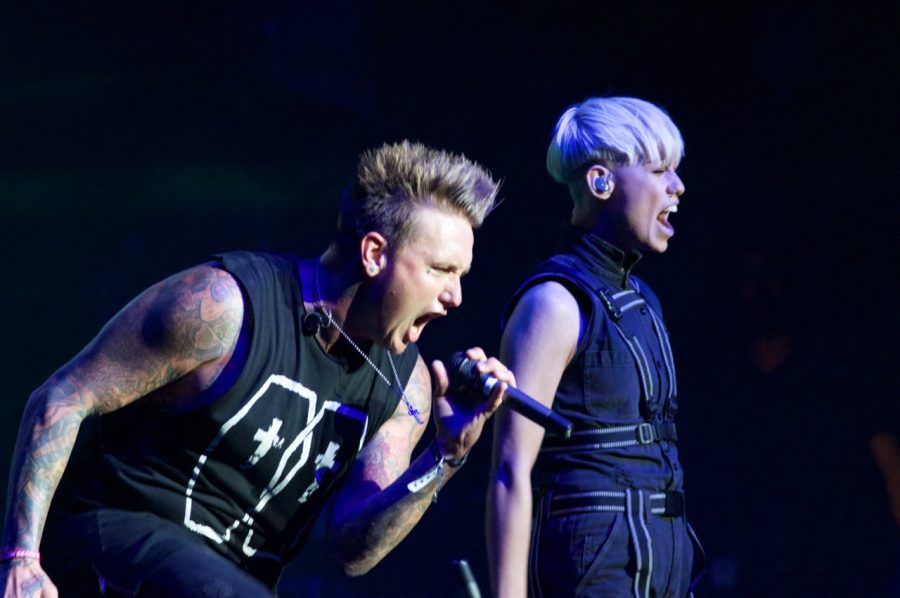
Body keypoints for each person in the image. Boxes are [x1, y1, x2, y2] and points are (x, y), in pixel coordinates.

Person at [1, 140, 515, 597]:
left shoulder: (408, 386)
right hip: (106, 542)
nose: (455, 296)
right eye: (440, 270)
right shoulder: (224, 306)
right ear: (375, 253)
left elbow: (352, 552)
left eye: (460, 275)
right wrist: (21, 560)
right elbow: (61, 398)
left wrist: (443, 457)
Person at [487, 97, 704, 597]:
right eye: (658, 170)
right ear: (601, 182)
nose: (677, 186)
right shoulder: (555, 303)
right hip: (592, 573)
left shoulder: (642, 300)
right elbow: (509, 469)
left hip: (657, 568)